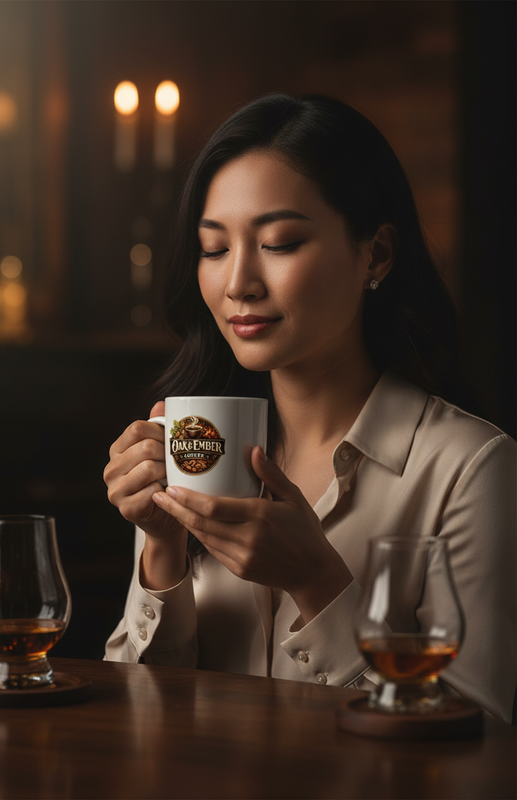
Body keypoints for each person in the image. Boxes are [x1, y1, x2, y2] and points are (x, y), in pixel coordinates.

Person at [103, 93, 516, 723]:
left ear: (374, 254)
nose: (238, 281)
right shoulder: (198, 446)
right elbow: (138, 718)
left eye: (280, 242)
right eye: (214, 249)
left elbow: (479, 744)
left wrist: (320, 584)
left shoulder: (470, 468)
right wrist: (161, 549)